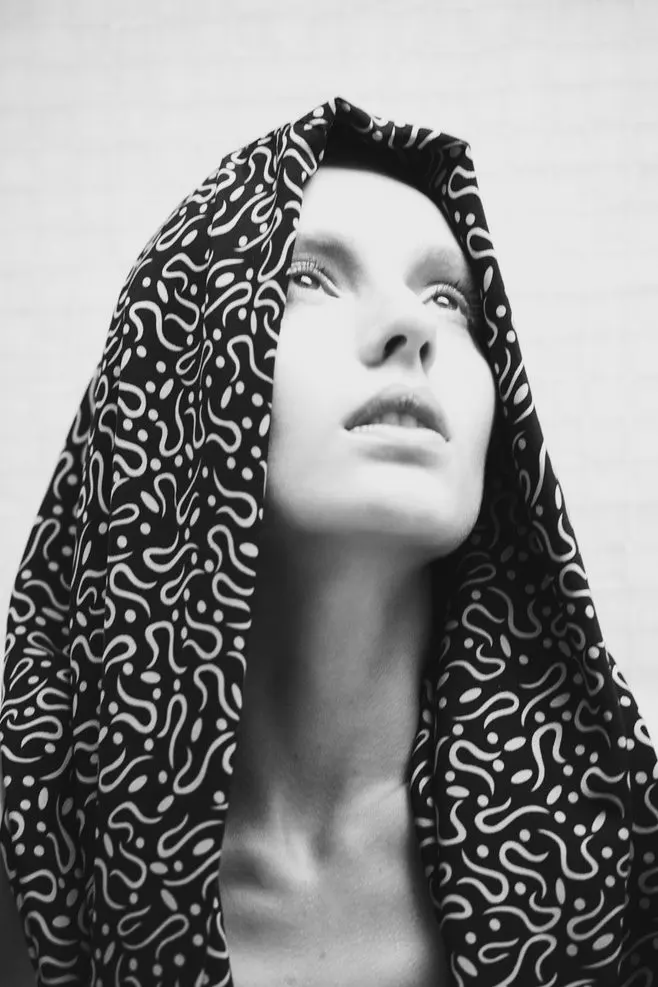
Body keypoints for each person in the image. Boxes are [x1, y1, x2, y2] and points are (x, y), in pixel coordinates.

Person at [1, 96, 657, 987]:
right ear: (177, 375)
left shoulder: (624, 855)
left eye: (449, 298)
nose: (411, 328)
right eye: (310, 277)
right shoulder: (32, 848)